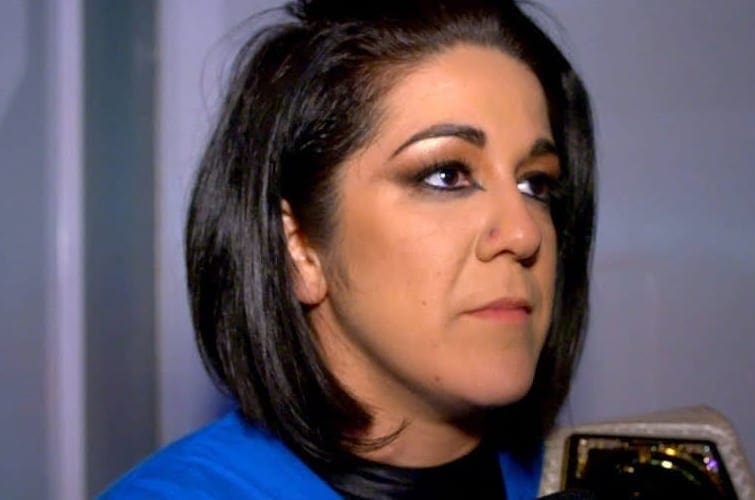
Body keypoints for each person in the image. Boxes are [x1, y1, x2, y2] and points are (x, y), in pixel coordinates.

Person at [101, 0, 595, 498]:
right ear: (298, 246)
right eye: (446, 175)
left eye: (536, 184)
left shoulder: (576, 474)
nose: (524, 234)